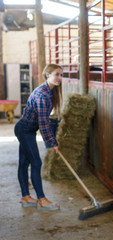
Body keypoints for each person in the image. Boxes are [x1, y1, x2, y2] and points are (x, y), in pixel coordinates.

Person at [14, 64, 63, 210]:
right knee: (36, 162)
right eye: (56, 74)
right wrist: (51, 142)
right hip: (25, 130)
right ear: (47, 75)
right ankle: (41, 199)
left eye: (61, 75)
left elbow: (44, 119)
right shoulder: (42, 94)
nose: (60, 78)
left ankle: (26, 197)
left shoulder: (49, 91)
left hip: (27, 129)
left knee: (24, 163)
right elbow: (43, 122)